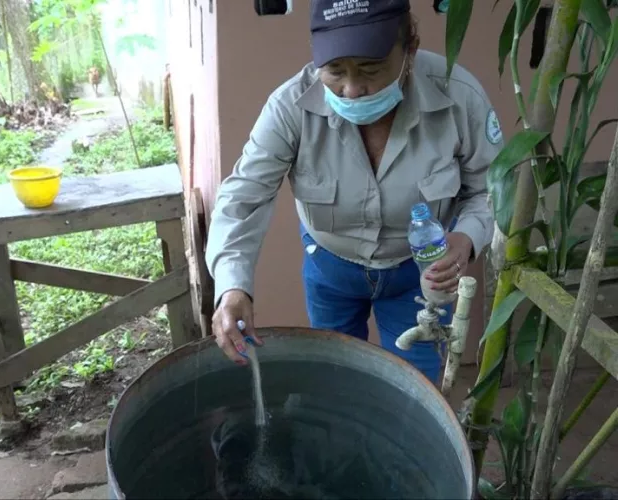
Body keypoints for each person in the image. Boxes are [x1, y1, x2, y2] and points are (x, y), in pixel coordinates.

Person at [205, 0, 503, 384]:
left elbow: (493, 188)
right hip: (331, 269)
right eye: (334, 71)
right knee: (335, 380)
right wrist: (231, 286)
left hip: (421, 275)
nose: (352, 90)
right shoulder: (289, 107)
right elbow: (244, 197)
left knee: (417, 388)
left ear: (409, 48)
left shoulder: (458, 96)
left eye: (370, 70)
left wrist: (467, 238)